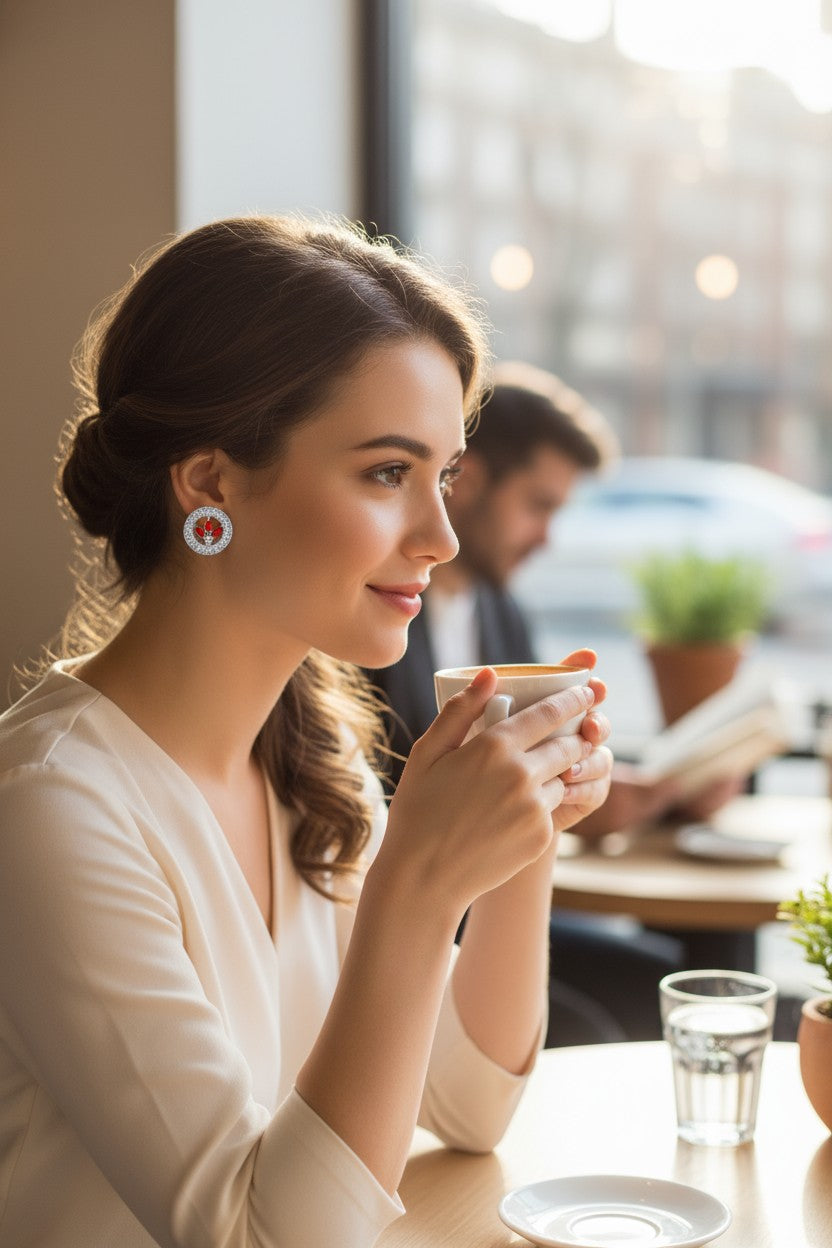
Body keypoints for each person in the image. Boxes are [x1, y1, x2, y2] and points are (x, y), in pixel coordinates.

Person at [0, 217, 613, 1248]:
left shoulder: (306, 764)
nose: (441, 536)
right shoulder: (52, 810)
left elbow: (467, 1108)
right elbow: (261, 1238)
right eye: (386, 473)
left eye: (444, 476)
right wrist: (415, 890)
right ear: (208, 485)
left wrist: (524, 823)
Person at [367, 361, 734, 1041]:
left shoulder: (500, 613)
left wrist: (644, 795)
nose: (547, 536)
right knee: (644, 1010)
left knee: (687, 990)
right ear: (469, 479)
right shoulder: (371, 622)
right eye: (538, 505)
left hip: (497, 908)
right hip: (413, 927)